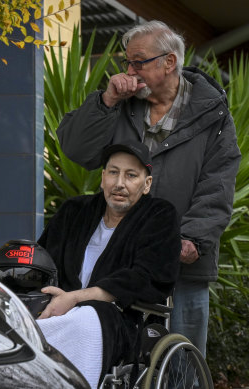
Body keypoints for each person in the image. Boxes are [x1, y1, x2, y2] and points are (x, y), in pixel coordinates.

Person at [56, 20, 241, 356]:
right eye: (127, 62)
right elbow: (75, 149)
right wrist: (108, 100)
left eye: (138, 61)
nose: (130, 70)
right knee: (115, 357)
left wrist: (191, 240)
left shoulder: (213, 116)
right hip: (118, 262)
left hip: (183, 266)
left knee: (180, 360)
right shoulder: (119, 105)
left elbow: (218, 183)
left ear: (168, 62)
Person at [36, 140, 181, 389]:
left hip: (119, 319)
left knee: (85, 319)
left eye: (131, 175)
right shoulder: (75, 211)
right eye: (113, 172)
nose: (119, 183)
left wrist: (76, 298)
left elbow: (146, 276)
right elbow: (42, 261)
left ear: (146, 184)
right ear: (103, 178)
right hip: (56, 306)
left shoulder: (159, 216)